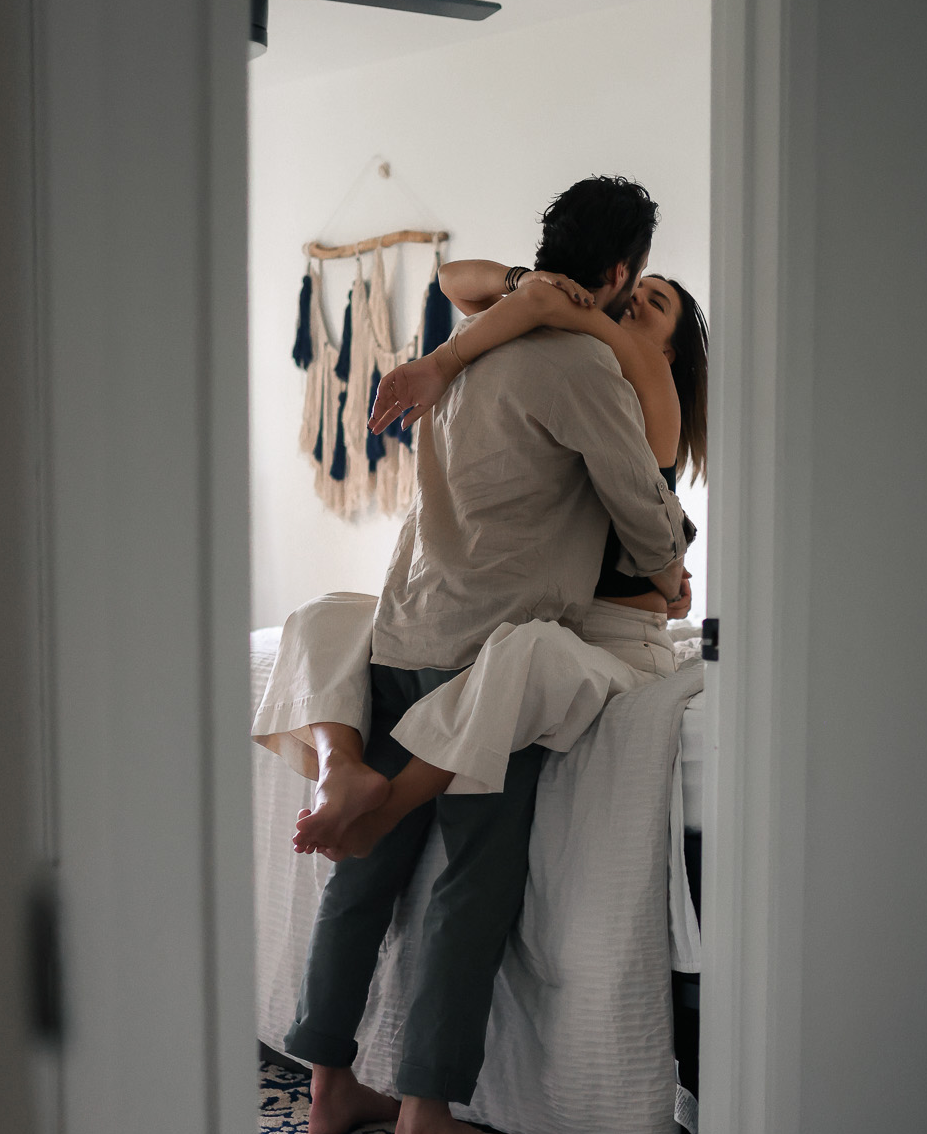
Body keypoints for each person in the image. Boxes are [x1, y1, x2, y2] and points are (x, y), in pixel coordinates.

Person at [271, 177, 687, 1134]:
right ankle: (424, 1121)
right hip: (487, 640)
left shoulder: (479, 342)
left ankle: (330, 1085)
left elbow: (484, 287)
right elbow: (638, 498)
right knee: (469, 884)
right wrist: (670, 562)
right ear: (620, 272)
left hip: (410, 621)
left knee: (366, 868)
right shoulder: (583, 364)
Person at [266, 260, 707, 865]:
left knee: (524, 653)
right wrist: (525, 283)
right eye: (636, 290)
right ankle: (337, 769)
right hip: (550, 621)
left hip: (620, 644)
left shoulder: (646, 385)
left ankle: (387, 811)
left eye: (653, 302)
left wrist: (672, 578)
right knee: (323, 617)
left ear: (670, 351)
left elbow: (658, 555)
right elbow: (454, 279)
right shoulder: (574, 366)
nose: (633, 302)